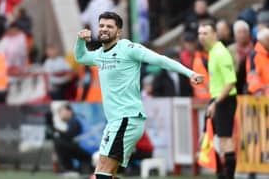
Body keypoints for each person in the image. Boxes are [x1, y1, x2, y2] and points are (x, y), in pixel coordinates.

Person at [74, 11, 204, 179]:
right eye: (101, 26)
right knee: (105, 171)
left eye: (109, 26)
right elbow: (81, 56)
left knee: (103, 171)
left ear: (119, 32)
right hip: (115, 121)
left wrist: (189, 73)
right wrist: (80, 40)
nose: (104, 29)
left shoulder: (128, 48)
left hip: (127, 118)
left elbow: (160, 60)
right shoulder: (100, 54)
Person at [198, 21, 237, 179]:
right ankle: (220, 173)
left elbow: (230, 82)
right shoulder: (212, 52)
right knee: (207, 137)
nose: (201, 37)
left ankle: (228, 176)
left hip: (225, 100)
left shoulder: (221, 53)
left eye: (205, 33)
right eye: (200, 34)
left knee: (225, 140)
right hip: (216, 99)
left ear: (215, 34)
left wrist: (216, 103)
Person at [53, 103, 93, 175]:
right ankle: (69, 169)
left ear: (69, 111)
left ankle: (68, 169)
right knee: (59, 142)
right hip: (86, 151)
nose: (59, 114)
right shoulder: (73, 120)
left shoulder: (74, 120)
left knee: (59, 142)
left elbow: (70, 135)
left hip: (89, 149)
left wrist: (57, 131)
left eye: (61, 111)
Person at [246, 28, 269, 97]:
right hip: (263, 99)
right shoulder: (254, 55)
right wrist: (257, 90)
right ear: (262, 41)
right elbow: (252, 76)